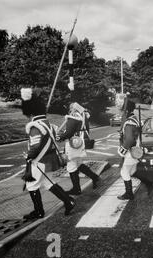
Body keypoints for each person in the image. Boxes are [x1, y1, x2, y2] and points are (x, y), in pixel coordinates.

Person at [20, 88, 75, 220]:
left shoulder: (35, 126)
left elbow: (35, 146)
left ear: (31, 111)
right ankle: (68, 201)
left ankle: (39, 212)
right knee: (49, 183)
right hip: (49, 160)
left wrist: (28, 156)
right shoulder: (48, 124)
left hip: (39, 161)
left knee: (31, 185)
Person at [56, 85, 101, 195]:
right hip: (79, 143)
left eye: (70, 108)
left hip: (73, 144)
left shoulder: (73, 117)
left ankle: (76, 189)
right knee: (79, 164)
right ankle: (95, 178)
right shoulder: (83, 117)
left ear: (73, 109)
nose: (69, 109)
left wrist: (58, 137)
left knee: (71, 166)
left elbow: (69, 133)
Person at [117, 97, 153, 200]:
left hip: (131, 152)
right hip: (136, 151)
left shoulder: (129, 123)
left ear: (127, 111)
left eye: (123, 111)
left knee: (124, 172)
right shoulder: (135, 120)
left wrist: (122, 150)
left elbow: (129, 139)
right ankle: (148, 183)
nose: (122, 113)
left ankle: (129, 193)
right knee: (132, 171)